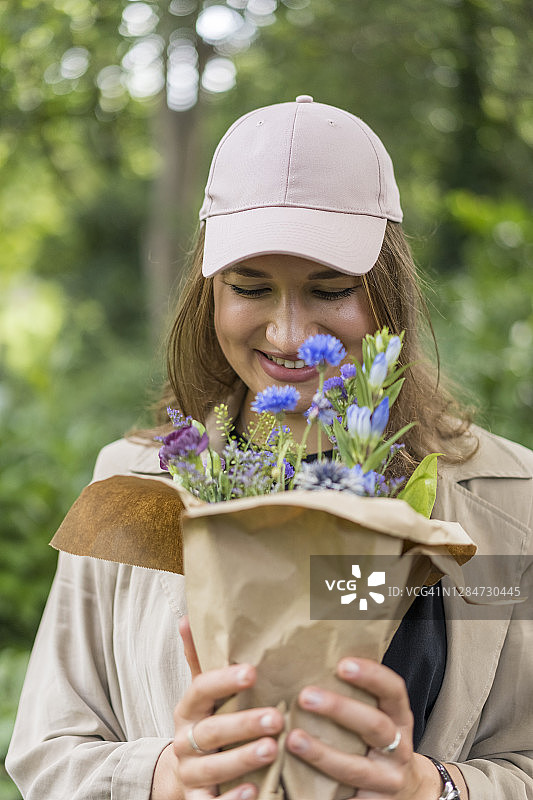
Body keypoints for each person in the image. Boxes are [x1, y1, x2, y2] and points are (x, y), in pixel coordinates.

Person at [6, 96, 533, 800]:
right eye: (249, 287)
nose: (287, 334)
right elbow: (47, 751)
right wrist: (163, 776)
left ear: (388, 294)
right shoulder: (131, 483)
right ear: (208, 292)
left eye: (331, 290)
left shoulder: (509, 496)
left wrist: (434, 788)